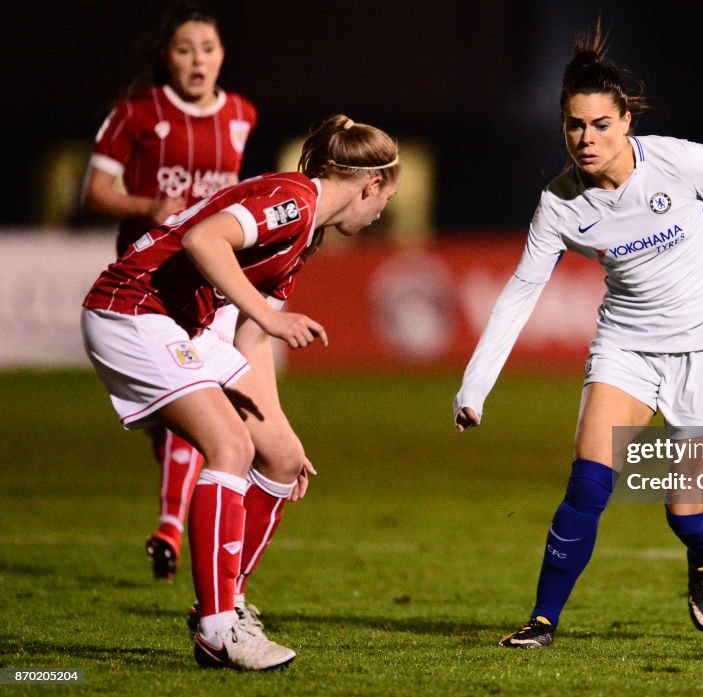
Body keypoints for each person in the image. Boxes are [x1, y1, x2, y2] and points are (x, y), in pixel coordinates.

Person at [453, 27, 703, 649]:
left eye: (601, 125)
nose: (587, 139)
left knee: (685, 511)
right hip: (627, 345)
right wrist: (475, 386)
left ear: (625, 121)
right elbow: (520, 292)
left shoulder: (673, 161)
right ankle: (543, 620)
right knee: (587, 483)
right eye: (575, 126)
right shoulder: (560, 204)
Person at [82, 114, 400, 670]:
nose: (380, 216)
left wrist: (281, 429)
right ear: (371, 184)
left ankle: (230, 603)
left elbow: (251, 339)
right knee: (231, 447)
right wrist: (267, 316)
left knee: (277, 457)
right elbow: (205, 239)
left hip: (183, 324)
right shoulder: (293, 200)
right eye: (384, 202)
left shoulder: (304, 236)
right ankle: (217, 627)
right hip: (132, 308)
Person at [82, 4, 258, 580]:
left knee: (199, 392)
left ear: (223, 54)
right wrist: (147, 207)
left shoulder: (241, 114)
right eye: (185, 48)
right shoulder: (135, 114)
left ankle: (168, 526)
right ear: (168, 56)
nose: (197, 59)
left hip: (206, 285)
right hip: (144, 283)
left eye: (207, 47)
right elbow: (94, 192)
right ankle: (172, 505)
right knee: (176, 419)